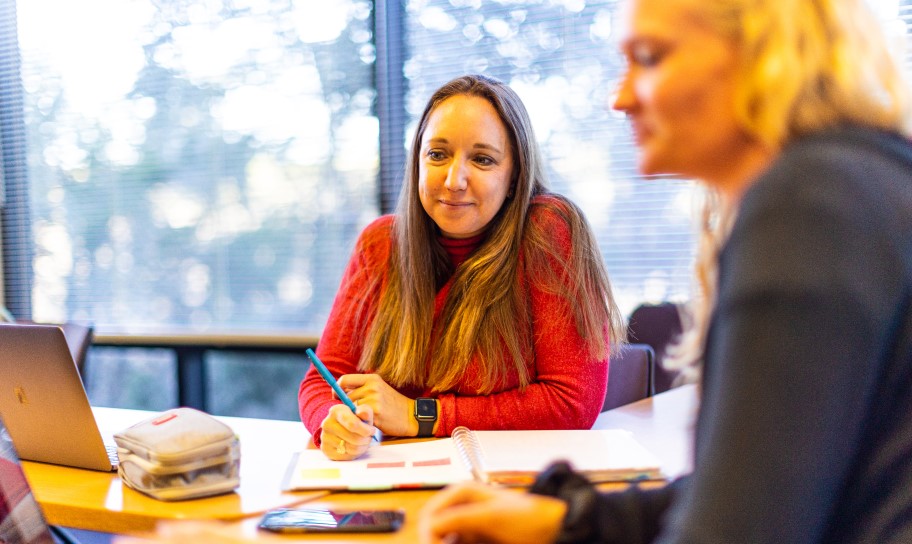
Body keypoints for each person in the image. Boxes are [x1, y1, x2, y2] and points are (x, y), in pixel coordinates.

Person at [420, 0, 912, 542]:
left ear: (759, 56)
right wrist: (568, 521)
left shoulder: (808, 203)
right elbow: (750, 489)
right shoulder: (859, 183)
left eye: (650, 58)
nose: (620, 97)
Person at [299, 74, 626, 461]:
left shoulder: (548, 230)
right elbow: (323, 380)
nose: (454, 180)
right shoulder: (380, 243)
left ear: (514, 176)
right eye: (437, 154)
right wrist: (332, 421)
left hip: (508, 486)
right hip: (400, 476)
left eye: (483, 159)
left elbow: (573, 403)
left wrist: (418, 415)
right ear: (417, 161)